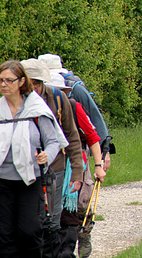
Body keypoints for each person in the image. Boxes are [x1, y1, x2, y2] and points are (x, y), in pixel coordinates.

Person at [0, 60, 66, 257]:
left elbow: (54, 141)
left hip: (30, 180)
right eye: (0, 80)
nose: (3, 84)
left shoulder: (36, 109)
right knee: (3, 235)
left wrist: (47, 156)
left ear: (21, 82)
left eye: (9, 80)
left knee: (29, 232)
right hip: (0, 180)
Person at [21, 58, 84, 258]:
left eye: (37, 83)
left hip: (55, 168)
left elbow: (72, 136)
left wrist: (77, 172)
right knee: (28, 222)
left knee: (52, 221)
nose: (34, 88)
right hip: (23, 170)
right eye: (30, 83)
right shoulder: (14, 102)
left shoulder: (58, 99)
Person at [42, 71, 106, 258]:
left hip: (72, 165)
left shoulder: (73, 106)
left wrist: (98, 165)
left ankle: (73, 243)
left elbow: (92, 137)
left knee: (72, 208)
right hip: (46, 166)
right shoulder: (33, 108)